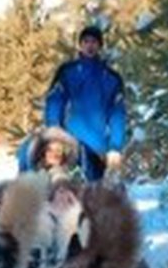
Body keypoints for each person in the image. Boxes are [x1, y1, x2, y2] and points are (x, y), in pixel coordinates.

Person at [43, 24, 126, 182]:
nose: (90, 45)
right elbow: (55, 102)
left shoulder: (111, 78)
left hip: (98, 147)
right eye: (86, 41)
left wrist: (115, 147)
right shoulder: (67, 72)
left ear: (100, 46)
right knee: (63, 194)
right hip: (69, 143)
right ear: (80, 44)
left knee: (94, 197)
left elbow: (117, 114)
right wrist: (54, 134)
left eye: (94, 42)